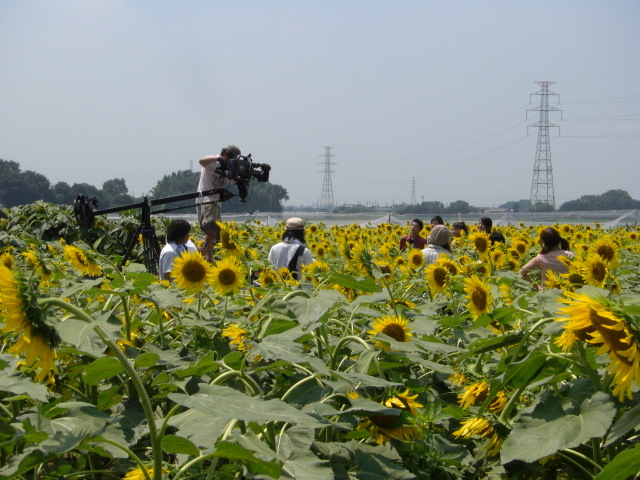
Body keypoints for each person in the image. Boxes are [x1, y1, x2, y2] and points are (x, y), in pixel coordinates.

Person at [196, 144, 241, 261]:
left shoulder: (226, 167)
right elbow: (201, 161)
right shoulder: (213, 161)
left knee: (216, 233)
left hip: (216, 202)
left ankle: (208, 257)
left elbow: (230, 180)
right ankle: (204, 256)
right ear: (225, 154)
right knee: (209, 228)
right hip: (206, 199)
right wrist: (218, 159)